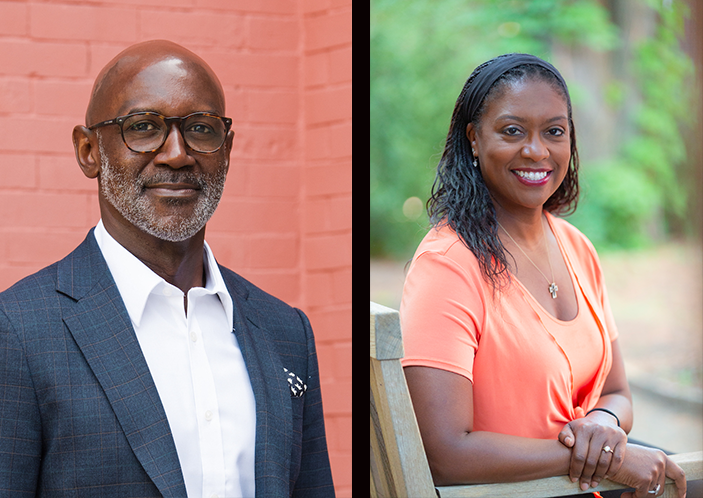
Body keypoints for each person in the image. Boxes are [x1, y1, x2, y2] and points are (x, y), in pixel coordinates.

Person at [0, 40, 334, 498]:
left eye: (200, 128)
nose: (177, 153)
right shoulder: (19, 330)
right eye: (143, 127)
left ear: (228, 149)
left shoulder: (284, 331)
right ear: (89, 151)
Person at [400, 53, 686, 498]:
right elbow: (445, 451)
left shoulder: (576, 246)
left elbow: (617, 393)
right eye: (512, 131)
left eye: (554, 131)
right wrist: (607, 457)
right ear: (474, 139)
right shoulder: (448, 264)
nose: (536, 150)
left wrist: (602, 424)